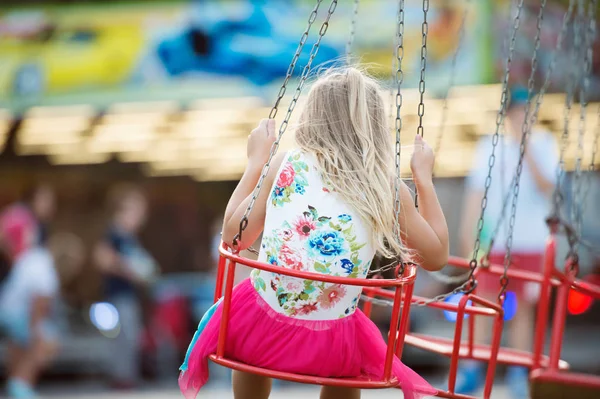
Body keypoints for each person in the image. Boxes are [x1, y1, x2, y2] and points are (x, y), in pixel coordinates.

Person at [179, 67, 449, 399]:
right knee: (351, 349)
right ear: (375, 125)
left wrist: (255, 163)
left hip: (262, 324)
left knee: (251, 319)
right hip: (332, 340)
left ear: (313, 116)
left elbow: (235, 237)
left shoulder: (288, 163)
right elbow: (436, 257)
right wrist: (424, 179)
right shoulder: (386, 188)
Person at [457, 86, 558, 398]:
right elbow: (477, 193)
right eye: (516, 113)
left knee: (525, 310)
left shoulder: (545, 144)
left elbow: (548, 189)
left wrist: (526, 148)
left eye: (526, 113)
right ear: (506, 115)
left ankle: (518, 373)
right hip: (497, 241)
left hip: (531, 241)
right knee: (485, 302)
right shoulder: (489, 146)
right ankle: (473, 368)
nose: (521, 119)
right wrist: (467, 234)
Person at [0, 232, 84, 399]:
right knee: (48, 340)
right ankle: (21, 386)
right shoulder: (48, 272)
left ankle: (16, 384)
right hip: (17, 314)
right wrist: (36, 333)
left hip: (5, 310)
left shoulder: (36, 256)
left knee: (19, 346)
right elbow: (38, 306)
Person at [93, 184, 158, 390]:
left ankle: (127, 375)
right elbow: (101, 258)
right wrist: (128, 269)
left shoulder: (130, 237)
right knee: (123, 336)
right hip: (118, 295)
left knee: (131, 336)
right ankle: (121, 377)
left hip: (129, 295)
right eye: (137, 212)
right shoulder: (115, 233)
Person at [0, 184, 55, 281]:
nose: (49, 206)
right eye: (45, 200)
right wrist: (13, 259)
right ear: (33, 199)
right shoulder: (19, 215)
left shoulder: (39, 223)